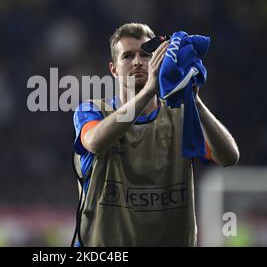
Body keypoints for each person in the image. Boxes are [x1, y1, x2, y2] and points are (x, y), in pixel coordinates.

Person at [72, 23, 239, 247]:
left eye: (146, 54)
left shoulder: (180, 116)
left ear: (158, 59)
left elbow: (229, 157)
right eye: (128, 56)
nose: (138, 62)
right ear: (113, 69)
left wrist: (193, 100)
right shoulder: (93, 111)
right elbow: (94, 143)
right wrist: (151, 88)